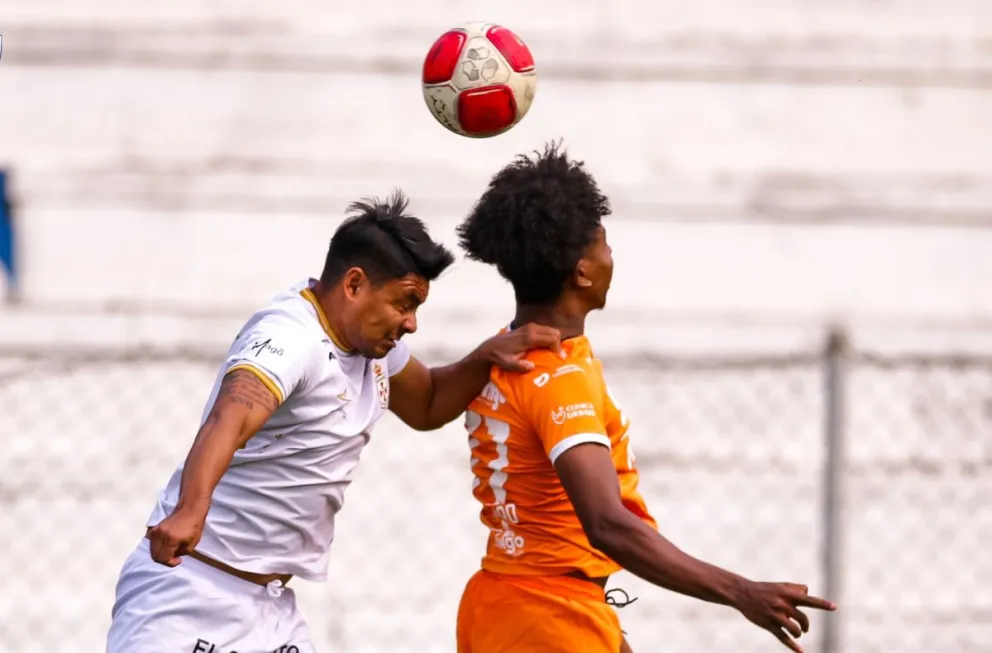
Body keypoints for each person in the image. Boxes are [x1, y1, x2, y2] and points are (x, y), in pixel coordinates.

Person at [105, 191, 561, 653]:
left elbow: (428, 404)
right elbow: (231, 414)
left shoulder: (373, 347)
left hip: (269, 608)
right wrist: (190, 508)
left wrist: (486, 356)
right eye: (405, 303)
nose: (411, 324)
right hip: (190, 593)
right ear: (355, 284)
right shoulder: (290, 336)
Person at [454, 143, 836, 653]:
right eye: (604, 244)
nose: (612, 256)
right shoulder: (558, 378)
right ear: (582, 272)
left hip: (505, 601)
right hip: (550, 618)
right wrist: (741, 592)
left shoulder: (503, 351)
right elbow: (608, 524)